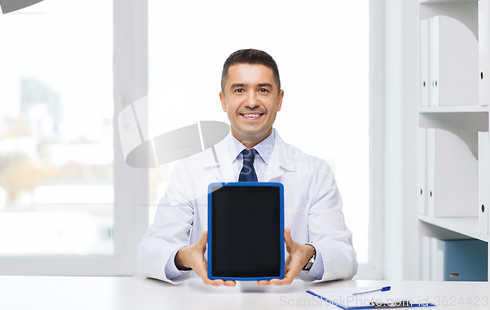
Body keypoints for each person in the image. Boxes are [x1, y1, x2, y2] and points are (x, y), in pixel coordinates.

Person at [136, 49, 357, 286]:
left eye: (263, 90)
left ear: (279, 99)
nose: (251, 102)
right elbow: (149, 252)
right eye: (239, 90)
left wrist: (309, 257)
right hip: (213, 303)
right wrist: (184, 257)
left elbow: (345, 257)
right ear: (223, 100)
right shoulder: (190, 171)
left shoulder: (315, 172)